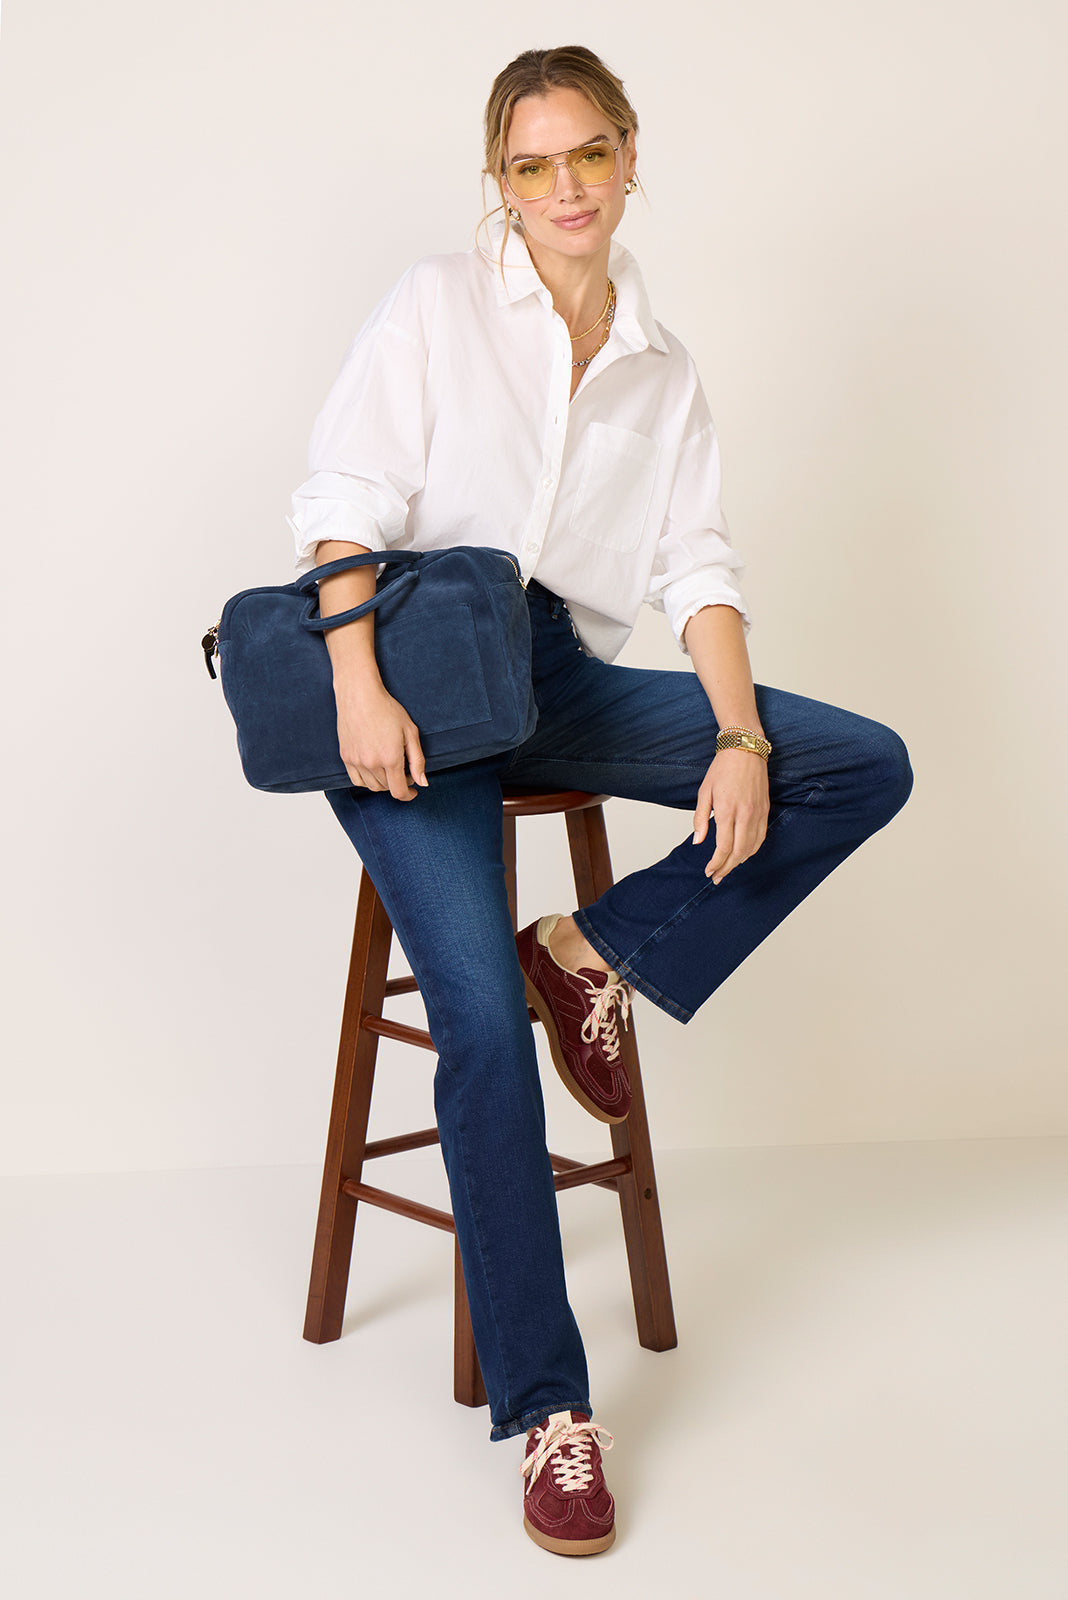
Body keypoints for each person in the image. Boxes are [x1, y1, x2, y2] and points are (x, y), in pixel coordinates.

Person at [287, 45, 912, 1557]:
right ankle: (551, 1413)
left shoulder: (661, 364)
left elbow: (698, 565)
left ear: (632, 156)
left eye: (589, 155)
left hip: (552, 673)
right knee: (480, 1032)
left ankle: (592, 950)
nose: (565, 188)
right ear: (498, 183)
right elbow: (343, 503)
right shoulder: (437, 304)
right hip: (407, 686)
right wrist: (359, 688)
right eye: (532, 165)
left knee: (855, 762)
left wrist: (740, 735)